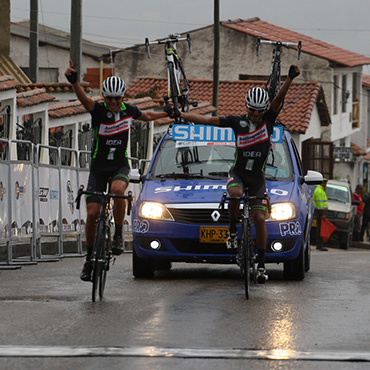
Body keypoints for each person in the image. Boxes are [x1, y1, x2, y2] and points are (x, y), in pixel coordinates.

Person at [170, 65, 300, 284]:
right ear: (246, 108)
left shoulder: (268, 120)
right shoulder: (237, 122)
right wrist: (181, 114)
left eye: (260, 111)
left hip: (257, 178)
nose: (256, 115)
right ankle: (231, 230)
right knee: (235, 194)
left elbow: (278, 99)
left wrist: (289, 78)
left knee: (259, 218)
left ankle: (260, 265)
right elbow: (209, 121)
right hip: (238, 174)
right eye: (252, 110)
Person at [65, 60, 171, 281]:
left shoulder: (128, 111)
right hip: (98, 167)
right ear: (104, 97)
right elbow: (84, 99)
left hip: (119, 165)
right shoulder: (98, 110)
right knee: (93, 214)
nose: (113, 102)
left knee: (118, 189)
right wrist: (75, 83)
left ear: (123, 97)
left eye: (118, 98)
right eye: (110, 98)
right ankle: (88, 259)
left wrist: (166, 113)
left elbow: (148, 116)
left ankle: (119, 234)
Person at [312, 178, 329, 251]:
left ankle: (320, 244)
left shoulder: (320, 190)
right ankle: (319, 245)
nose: (326, 185)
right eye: (325, 183)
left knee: (320, 229)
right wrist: (322, 214)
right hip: (320, 213)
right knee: (320, 230)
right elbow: (320, 205)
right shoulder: (319, 191)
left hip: (320, 213)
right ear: (323, 183)